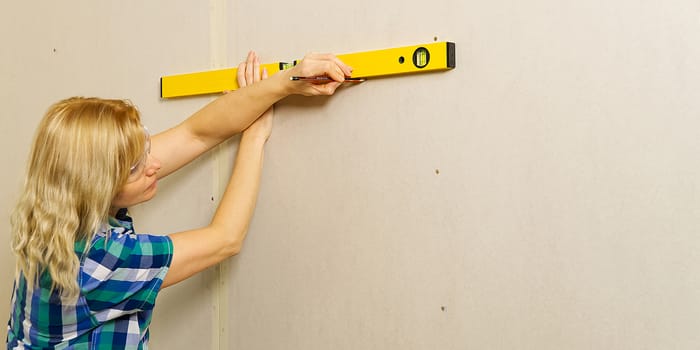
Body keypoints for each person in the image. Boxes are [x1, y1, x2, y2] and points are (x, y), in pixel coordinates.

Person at [6, 51, 354, 349]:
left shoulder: (53, 215)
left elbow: (195, 134)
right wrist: (255, 135)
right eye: (135, 168)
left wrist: (283, 83)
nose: (154, 165)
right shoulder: (100, 263)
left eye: (145, 150)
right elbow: (225, 239)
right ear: (95, 185)